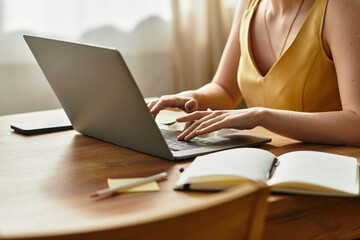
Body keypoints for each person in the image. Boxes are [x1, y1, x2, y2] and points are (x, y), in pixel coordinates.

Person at [147, 0, 360, 147]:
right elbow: (226, 90)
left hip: (329, 168)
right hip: (267, 163)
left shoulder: (341, 7)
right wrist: (192, 98)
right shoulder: (250, 4)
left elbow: (356, 122)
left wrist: (261, 116)